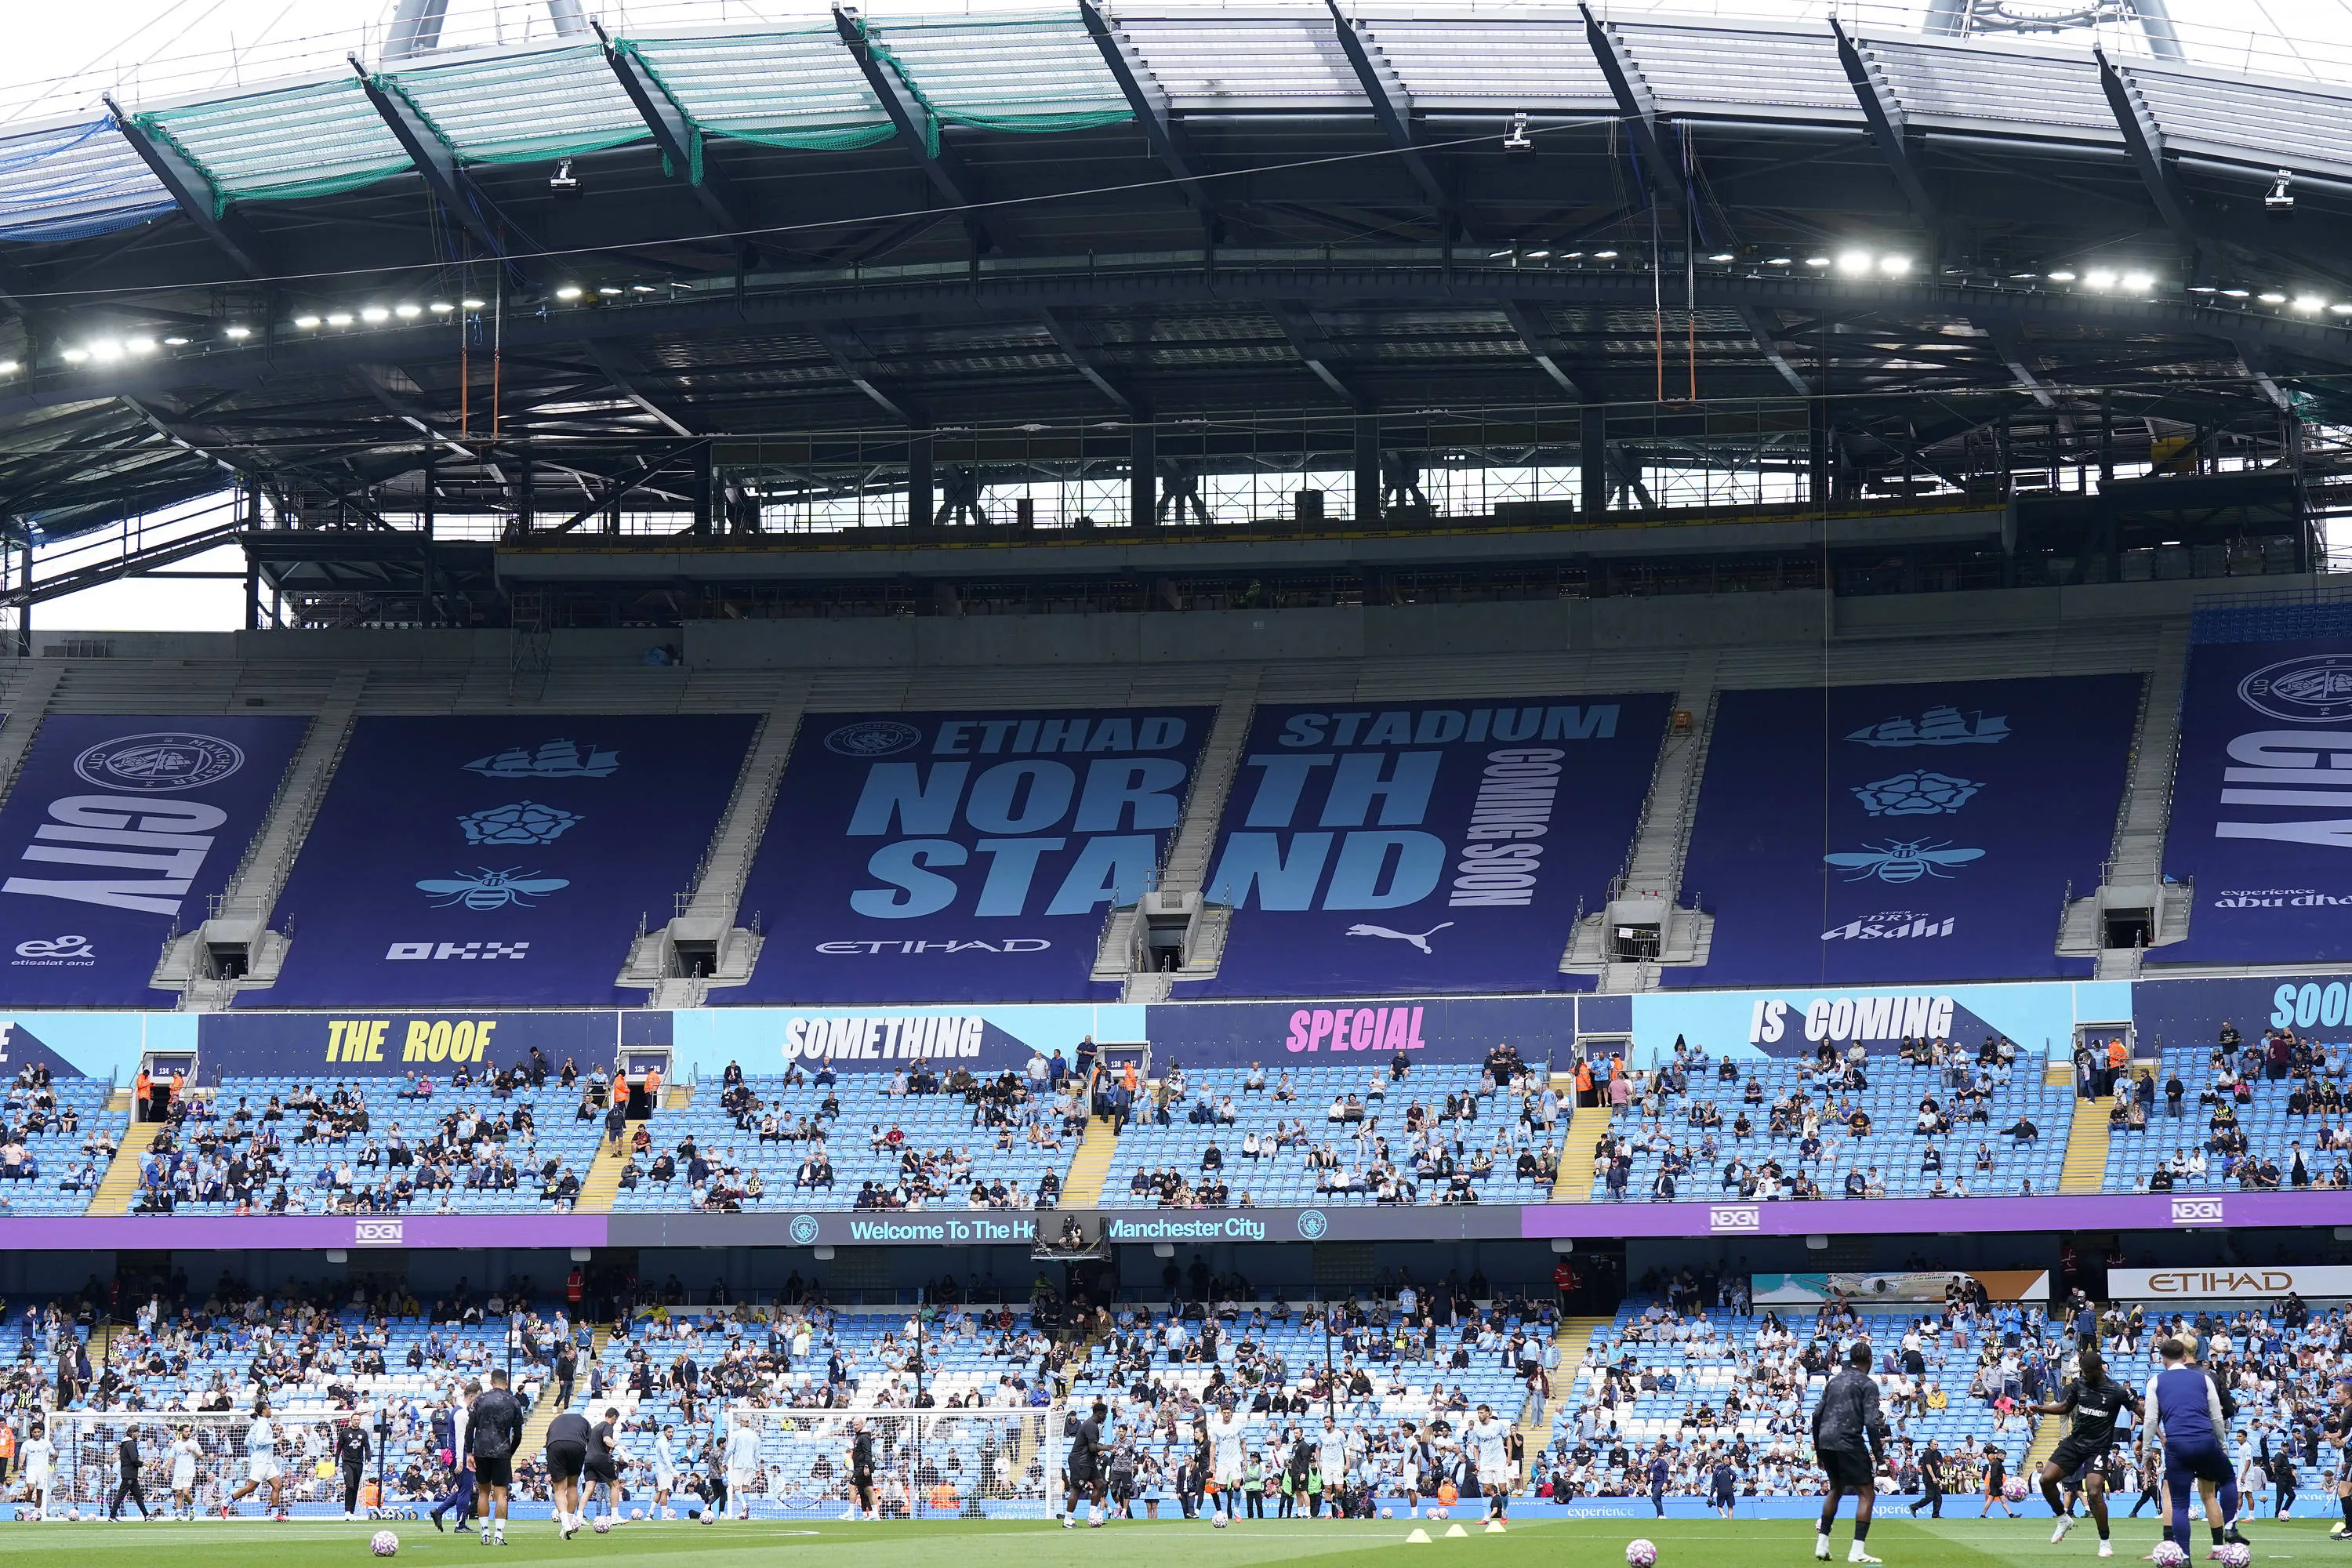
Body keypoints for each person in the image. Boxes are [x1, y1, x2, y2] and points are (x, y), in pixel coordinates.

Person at [2146, 1335, 2244, 1559]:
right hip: (2205, 1441)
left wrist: (2146, 1453)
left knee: (2177, 1501)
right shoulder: (2208, 1377)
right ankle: (2226, 1535)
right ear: (2189, 1354)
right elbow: (2221, 1415)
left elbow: (2151, 1421)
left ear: (2163, 1359)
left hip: (2177, 1445)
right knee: (2218, 1487)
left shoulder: (2157, 1381)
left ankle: (2181, 1554)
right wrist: (2222, 1443)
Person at [2034, 1347, 2137, 1556]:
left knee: (2094, 1491)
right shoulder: (2079, 1385)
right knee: (2046, 1480)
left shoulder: (2117, 1391)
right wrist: (2040, 1408)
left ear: (2099, 1369)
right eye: (2082, 1372)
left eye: (2087, 1372)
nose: (2084, 1375)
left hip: (2098, 1448)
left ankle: (2105, 1541)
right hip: (2075, 1443)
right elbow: (2064, 1407)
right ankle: (2063, 1518)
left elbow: (2140, 1410)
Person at [1810, 1341, 1888, 1565]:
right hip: (1848, 1441)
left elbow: (1816, 1415)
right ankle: (1857, 1551)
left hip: (1826, 1440)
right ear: (1870, 1360)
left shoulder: (1834, 1381)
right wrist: (1880, 1458)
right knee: (1866, 1494)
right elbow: (1872, 1423)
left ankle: (1822, 1546)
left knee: (1836, 1489)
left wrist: (1818, 1450)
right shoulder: (1868, 1384)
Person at [469, 1368, 525, 1546]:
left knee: (483, 1492)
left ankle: (484, 1533)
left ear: (491, 1383)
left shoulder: (480, 1400)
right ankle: (498, 1535)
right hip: (502, 1451)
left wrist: (469, 1452)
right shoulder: (514, 1402)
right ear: (506, 1383)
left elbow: (470, 1428)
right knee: (501, 1494)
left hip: (481, 1451)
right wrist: (510, 1451)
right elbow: (518, 1434)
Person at [227, 1399, 285, 1519]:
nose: (271, 1411)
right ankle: (226, 1502)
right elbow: (259, 1441)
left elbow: (247, 1442)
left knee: (278, 1485)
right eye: (269, 1409)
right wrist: (276, 1440)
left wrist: (256, 1449)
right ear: (264, 1411)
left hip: (267, 1461)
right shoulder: (263, 1424)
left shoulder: (256, 1424)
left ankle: (275, 1515)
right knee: (251, 1487)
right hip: (261, 1461)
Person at [546, 1406, 591, 1540]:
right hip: (577, 1445)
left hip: (555, 1445)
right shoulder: (584, 1422)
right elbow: (590, 1442)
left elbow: (548, 1441)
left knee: (559, 1488)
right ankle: (568, 1525)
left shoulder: (556, 1420)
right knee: (572, 1486)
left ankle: (566, 1524)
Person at [1063, 1399, 1107, 1529]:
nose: (1105, 1416)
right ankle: (1067, 1520)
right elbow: (1093, 1447)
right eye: (1104, 1414)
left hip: (1088, 1461)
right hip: (1079, 1461)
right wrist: (1108, 1447)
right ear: (1099, 1413)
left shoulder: (1093, 1425)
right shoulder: (1090, 1425)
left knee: (1100, 1484)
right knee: (1077, 1489)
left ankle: (1092, 1517)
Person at [1469, 1403, 1514, 1523]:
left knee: (1503, 1490)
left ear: (1488, 1413)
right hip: (1485, 1462)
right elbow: (1475, 1447)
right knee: (1486, 1489)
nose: (1480, 1415)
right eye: (1478, 1413)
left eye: (1482, 1413)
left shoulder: (1498, 1425)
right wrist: (1477, 1461)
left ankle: (1504, 1511)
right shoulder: (1477, 1429)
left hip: (1499, 1461)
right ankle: (1486, 1517)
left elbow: (1508, 1439)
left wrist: (1509, 1456)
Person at [583, 1405, 625, 1526]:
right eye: (615, 1420)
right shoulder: (608, 1426)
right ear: (614, 1417)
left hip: (588, 1459)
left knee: (589, 1489)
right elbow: (607, 1439)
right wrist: (617, 1447)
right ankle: (615, 1516)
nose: (615, 1422)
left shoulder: (596, 1427)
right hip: (601, 1459)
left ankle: (579, 1515)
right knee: (615, 1485)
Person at [1208, 1402, 1248, 1524]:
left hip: (1236, 1459)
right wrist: (1212, 1463)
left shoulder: (1238, 1426)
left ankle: (1236, 1509)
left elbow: (1243, 1443)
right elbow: (1213, 1446)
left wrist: (1245, 1459)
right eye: (1224, 1413)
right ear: (1221, 1413)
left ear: (1231, 1413)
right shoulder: (1216, 1428)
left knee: (1236, 1485)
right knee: (1223, 1487)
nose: (1226, 1415)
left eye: (1228, 1413)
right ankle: (1225, 1513)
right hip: (1223, 1461)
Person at [724, 1410, 760, 1521]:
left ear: (741, 1422)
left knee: (735, 1487)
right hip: (751, 1465)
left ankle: (744, 1506)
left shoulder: (736, 1434)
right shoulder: (755, 1435)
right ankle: (744, 1513)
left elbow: (730, 1449)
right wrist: (758, 1467)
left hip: (739, 1464)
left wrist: (724, 1461)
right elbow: (757, 1453)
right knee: (746, 1488)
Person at [111, 1425, 150, 1521]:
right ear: (132, 1433)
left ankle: (147, 1516)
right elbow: (134, 1459)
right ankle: (112, 1516)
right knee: (121, 1495)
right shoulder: (130, 1443)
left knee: (138, 1496)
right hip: (129, 1473)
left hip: (129, 1473)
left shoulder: (125, 1443)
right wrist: (143, 1463)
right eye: (137, 1432)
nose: (139, 1434)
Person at [338, 1418, 372, 1519]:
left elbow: (367, 1448)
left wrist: (369, 1461)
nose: (356, 1421)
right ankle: (347, 1511)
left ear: (360, 1421)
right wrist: (336, 1464)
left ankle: (352, 1512)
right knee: (350, 1486)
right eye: (354, 1420)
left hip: (359, 1463)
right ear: (351, 1421)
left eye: (358, 1420)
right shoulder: (345, 1433)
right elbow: (339, 1448)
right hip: (347, 1463)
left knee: (356, 1487)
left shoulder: (363, 1433)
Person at [846, 1416, 879, 1523]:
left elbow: (868, 1453)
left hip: (862, 1466)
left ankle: (851, 1513)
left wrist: (866, 1466)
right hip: (860, 1466)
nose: (855, 1427)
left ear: (862, 1424)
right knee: (869, 1490)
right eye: (853, 1425)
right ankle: (875, 1514)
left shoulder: (864, 1437)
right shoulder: (859, 1436)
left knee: (851, 1487)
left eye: (857, 1425)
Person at [20, 1423, 53, 1522]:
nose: (37, 1434)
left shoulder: (46, 1443)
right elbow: (23, 1454)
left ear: (41, 1432)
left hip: (42, 1470)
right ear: (32, 1433)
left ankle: (36, 1513)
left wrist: (55, 1454)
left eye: (38, 1432)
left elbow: (53, 1452)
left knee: (39, 1493)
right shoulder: (27, 1443)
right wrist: (21, 1462)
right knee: (30, 1488)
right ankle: (26, 1510)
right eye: (35, 1432)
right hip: (31, 1469)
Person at [169, 1423, 201, 1520]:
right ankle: (179, 1514)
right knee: (178, 1493)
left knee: (186, 1493)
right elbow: (171, 1457)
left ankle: (192, 1507)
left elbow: (200, 1456)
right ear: (181, 1432)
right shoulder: (176, 1444)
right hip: (178, 1472)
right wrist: (167, 1470)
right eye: (186, 1431)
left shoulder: (194, 1443)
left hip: (189, 1471)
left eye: (189, 1431)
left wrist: (192, 1450)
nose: (188, 1433)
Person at [1907, 1439, 1946, 1519]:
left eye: (1937, 1445)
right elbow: (1928, 1465)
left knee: (1938, 1497)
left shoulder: (1932, 1453)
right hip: (1929, 1479)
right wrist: (1933, 1477)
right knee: (1929, 1497)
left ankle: (1936, 1514)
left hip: (1933, 1478)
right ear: (1931, 1444)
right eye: (1935, 1444)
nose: (1936, 1446)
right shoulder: (1928, 1453)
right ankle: (1914, 1506)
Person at [1983, 1443, 2013, 1517]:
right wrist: (1999, 1485)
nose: (2005, 1458)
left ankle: (2011, 1515)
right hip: (1996, 1486)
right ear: (2000, 1455)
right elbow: (1995, 1476)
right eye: (2004, 1456)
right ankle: (1982, 1514)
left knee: (2003, 1501)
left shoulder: (1997, 1463)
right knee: (1991, 1501)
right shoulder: (1997, 1464)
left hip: (1996, 1486)